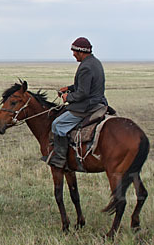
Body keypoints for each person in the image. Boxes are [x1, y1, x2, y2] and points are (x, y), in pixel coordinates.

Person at [45, 37, 108, 169]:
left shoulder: (85, 67)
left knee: (57, 124)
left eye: (74, 52)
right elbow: (84, 84)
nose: (73, 55)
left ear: (80, 52)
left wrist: (68, 97)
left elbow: (83, 93)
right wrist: (68, 88)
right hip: (99, 102)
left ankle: (60, 159)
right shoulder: (95, 62)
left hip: (88, 107)